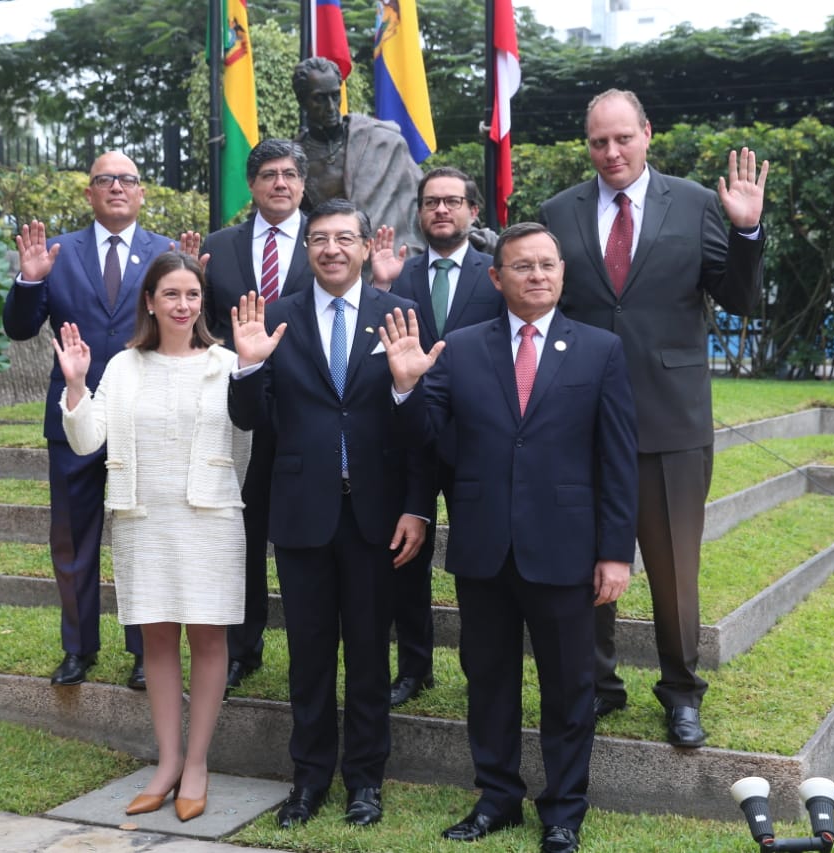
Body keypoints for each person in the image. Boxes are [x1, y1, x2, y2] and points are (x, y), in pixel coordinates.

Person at [382, 222, 639, 853]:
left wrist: (614, 552)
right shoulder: (463, 347)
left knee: (569, 687)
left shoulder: (599, 350)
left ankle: (563, 811)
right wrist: (407, 386)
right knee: (489, 679)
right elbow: (426, 440)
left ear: (562, 272)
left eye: (547, 264)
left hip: (566, 549)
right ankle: (497, 797)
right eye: (521, 267)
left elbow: (618, 458)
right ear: (496, 279)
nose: (537, 276)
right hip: (484, 547)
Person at [539, 89, 768, 748]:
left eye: (622, 138)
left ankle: (680, 690)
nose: (611, 152)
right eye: (598, 142)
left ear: (647, 134)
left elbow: (742, 299)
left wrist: (746, 232)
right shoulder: (559, 212)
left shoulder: (697, 204)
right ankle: (597, 685)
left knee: (673, 572)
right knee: (586, 566)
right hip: (579, 422)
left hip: (671, 424)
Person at [228, 198, 431, 830]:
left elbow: (423, 430)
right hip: (302, 512)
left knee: (369, 656)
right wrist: (250, 366)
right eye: (319, 239)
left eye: (346, 238)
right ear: (306, 249)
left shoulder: (400, 316)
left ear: (369, 247)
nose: (332, 249)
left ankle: (365, 783)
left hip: (376, 517)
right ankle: (309, 781)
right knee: (310, 657)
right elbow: (249, 419)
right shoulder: (276, 318)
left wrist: (417, 506)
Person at [56, 252, 250, 823]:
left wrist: (216, 486)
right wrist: (74, 387)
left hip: (210, 519)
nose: (183, 305)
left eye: (192, 294)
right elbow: (88, 441)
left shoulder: (226, 362)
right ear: (150, 301)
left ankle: (196, 764)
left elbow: (246, 446)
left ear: (201, 301)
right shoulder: (123, 366)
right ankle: (166, 764)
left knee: (209, 641)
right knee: (158, 642)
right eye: (171, 294)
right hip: (144, 520)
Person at [3, 151, 174, 689]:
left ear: (142, 193)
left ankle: (147, 650)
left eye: (127, 180)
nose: (117, 188)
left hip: (141, 418)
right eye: (105, 180)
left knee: (141, 538)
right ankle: (78, 648)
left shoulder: (164, 254)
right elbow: (19, 327)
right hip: (73, 414)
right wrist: (30, 283)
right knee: (73, 540)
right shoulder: (60, 252)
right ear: (90, 194)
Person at [370, 166, 505, 707]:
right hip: (411, 437)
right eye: (430, 203)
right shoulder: (395, 274)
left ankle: (483, 666)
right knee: (407, 558)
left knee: (480, 562)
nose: (441, 211)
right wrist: (379, 287)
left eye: (452, 201)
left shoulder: (496, 273)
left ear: (474, 212)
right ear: (419, 213)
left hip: (479, 440)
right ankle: (415, 667)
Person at [202, 139, 314, 694]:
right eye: (268, 174)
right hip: (238, 407)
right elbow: (202, 328)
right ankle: (244, 646)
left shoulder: (328, 240)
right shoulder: (219, 247)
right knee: (241, 532)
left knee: (301, 531)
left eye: (290, 174)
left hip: (306, 406)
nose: (279, 183)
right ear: (252, 184)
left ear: (302, 183)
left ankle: (310, 644)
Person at [292, 56, 424, 253]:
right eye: (320, 99)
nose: (331, 107)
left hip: (386, 255)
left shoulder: (383, 142)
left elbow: (426, 198)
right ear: (302, 101)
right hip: (327, 260)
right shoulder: (292, 159)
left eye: (335, 96)